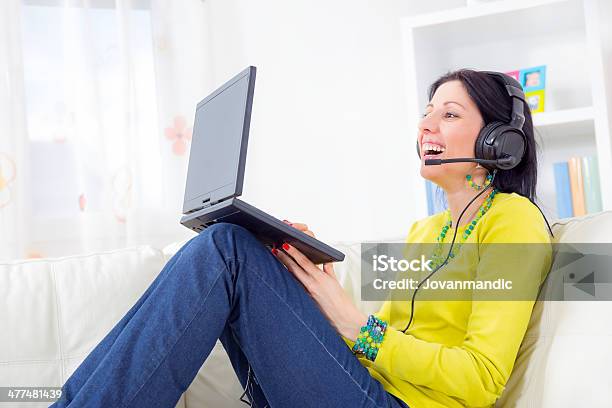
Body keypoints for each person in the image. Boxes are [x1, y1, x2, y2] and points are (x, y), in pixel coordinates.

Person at [50, 69, 551, 408]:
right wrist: (315, 291)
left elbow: (482, 380)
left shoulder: (514, 223)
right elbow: (382, 345)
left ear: (497, 140)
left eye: (450, 114)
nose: (426, 125)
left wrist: (356, 326)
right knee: (237, 244)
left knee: (226, 248)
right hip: (364, 390)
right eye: (427, 111)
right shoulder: (425, 231)